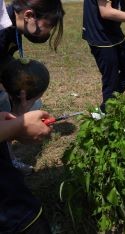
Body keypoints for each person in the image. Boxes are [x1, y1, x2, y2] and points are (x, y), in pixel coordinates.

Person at [0, 0, 65, 173]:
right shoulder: (3, 31)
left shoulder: (13, 26)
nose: (48, 33)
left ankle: (9, 159)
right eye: (48, 26)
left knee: (30, 105)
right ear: (29, 15)